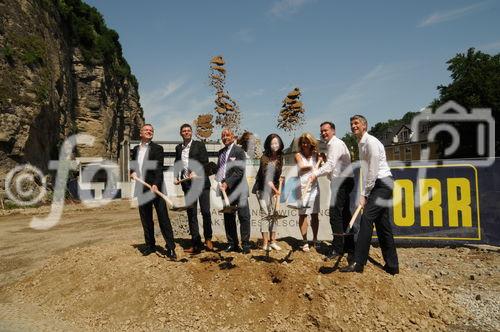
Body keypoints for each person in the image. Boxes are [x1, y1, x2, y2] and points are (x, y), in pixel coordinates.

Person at [341, 115, 399, 274]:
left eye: (356, 123)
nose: (353, 126)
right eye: (351, 124)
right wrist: (364, 192)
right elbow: (366, 172)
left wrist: (364, 195)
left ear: (364, 126)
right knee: (383, 225)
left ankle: (358, 263)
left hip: (383, 184)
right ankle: (392, 266)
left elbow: (373, 171)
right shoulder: (361, 143)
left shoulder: (371, 143)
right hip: (376, 185)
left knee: (366, 218)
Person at [130, 124, 176, 260]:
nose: (149, 132)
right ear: (141, 133)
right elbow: (133, 166)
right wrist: (131, 172)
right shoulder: (135, 149)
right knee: (146, 218)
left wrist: (156, 184)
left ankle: (171, 247)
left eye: (151, 130)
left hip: (156, 188)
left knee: (163, 218)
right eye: (147, 130)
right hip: (141, 188)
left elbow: (158, 168)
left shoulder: (158, 148)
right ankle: (150, 245)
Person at [310, 122, 355, 259]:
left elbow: (330, 167)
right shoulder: (333, 145)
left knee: (335, 215)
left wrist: (315, 173)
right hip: (343, 180)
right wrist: (323, 162)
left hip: (341, 182)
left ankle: (337, 249)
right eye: (322, 131)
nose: (324, 133)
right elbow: (332, 167)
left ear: (333, 131)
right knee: (344, 214)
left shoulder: (335, 144)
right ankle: (348, 245)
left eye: (326, 130)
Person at [174, 124, 213, 254]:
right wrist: (176, 176)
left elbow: (205, 161)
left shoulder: (199, 145)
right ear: (181, 133)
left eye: (188, 130)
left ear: (192, 132)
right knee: (191, 214)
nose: (186, 132)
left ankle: (208, 238)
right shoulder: (178, 148)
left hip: (201, 183)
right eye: (184, 131)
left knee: (206, 212)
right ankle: (196, 243)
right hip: (188, 185)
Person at [217, 129, 252, 254]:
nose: (225, 137)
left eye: (227, 135)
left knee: (244, 217)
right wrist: (219, 182)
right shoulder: (220, 152)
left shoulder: (239, 151)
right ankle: (232, 243)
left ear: (233, 137)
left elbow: (239, 171)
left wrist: (227, 183)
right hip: (226, 191)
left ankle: (246, 244)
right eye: (223, 136)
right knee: (229, 217)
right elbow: (220, 171)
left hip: (239, 189)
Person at [253, 133, 284, 251]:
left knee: (274, 214)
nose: (275, 145)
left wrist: (277, 188)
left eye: (277, 143)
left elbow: (278, 174)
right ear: (268, 145)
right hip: (262, 189)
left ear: (280, 144)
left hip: (274, 188)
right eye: (272, 143)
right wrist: (276, 190)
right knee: (265, 215)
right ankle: (265, 243)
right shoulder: (264, 157)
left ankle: (273, 241)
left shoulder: (281, 156)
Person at [294, 133, 321, 252]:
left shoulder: (316, 155)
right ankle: (305, 241)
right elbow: (301, 167)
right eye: (303, 143)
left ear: (311, 143)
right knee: (303, 214)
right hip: (302, 188)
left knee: (314, 214)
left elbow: (324, 166)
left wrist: (321, 160)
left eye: (307, 142)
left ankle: (315, 239)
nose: (305, 145)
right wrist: (312, 168)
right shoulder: (298, 155)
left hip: (314, 188)